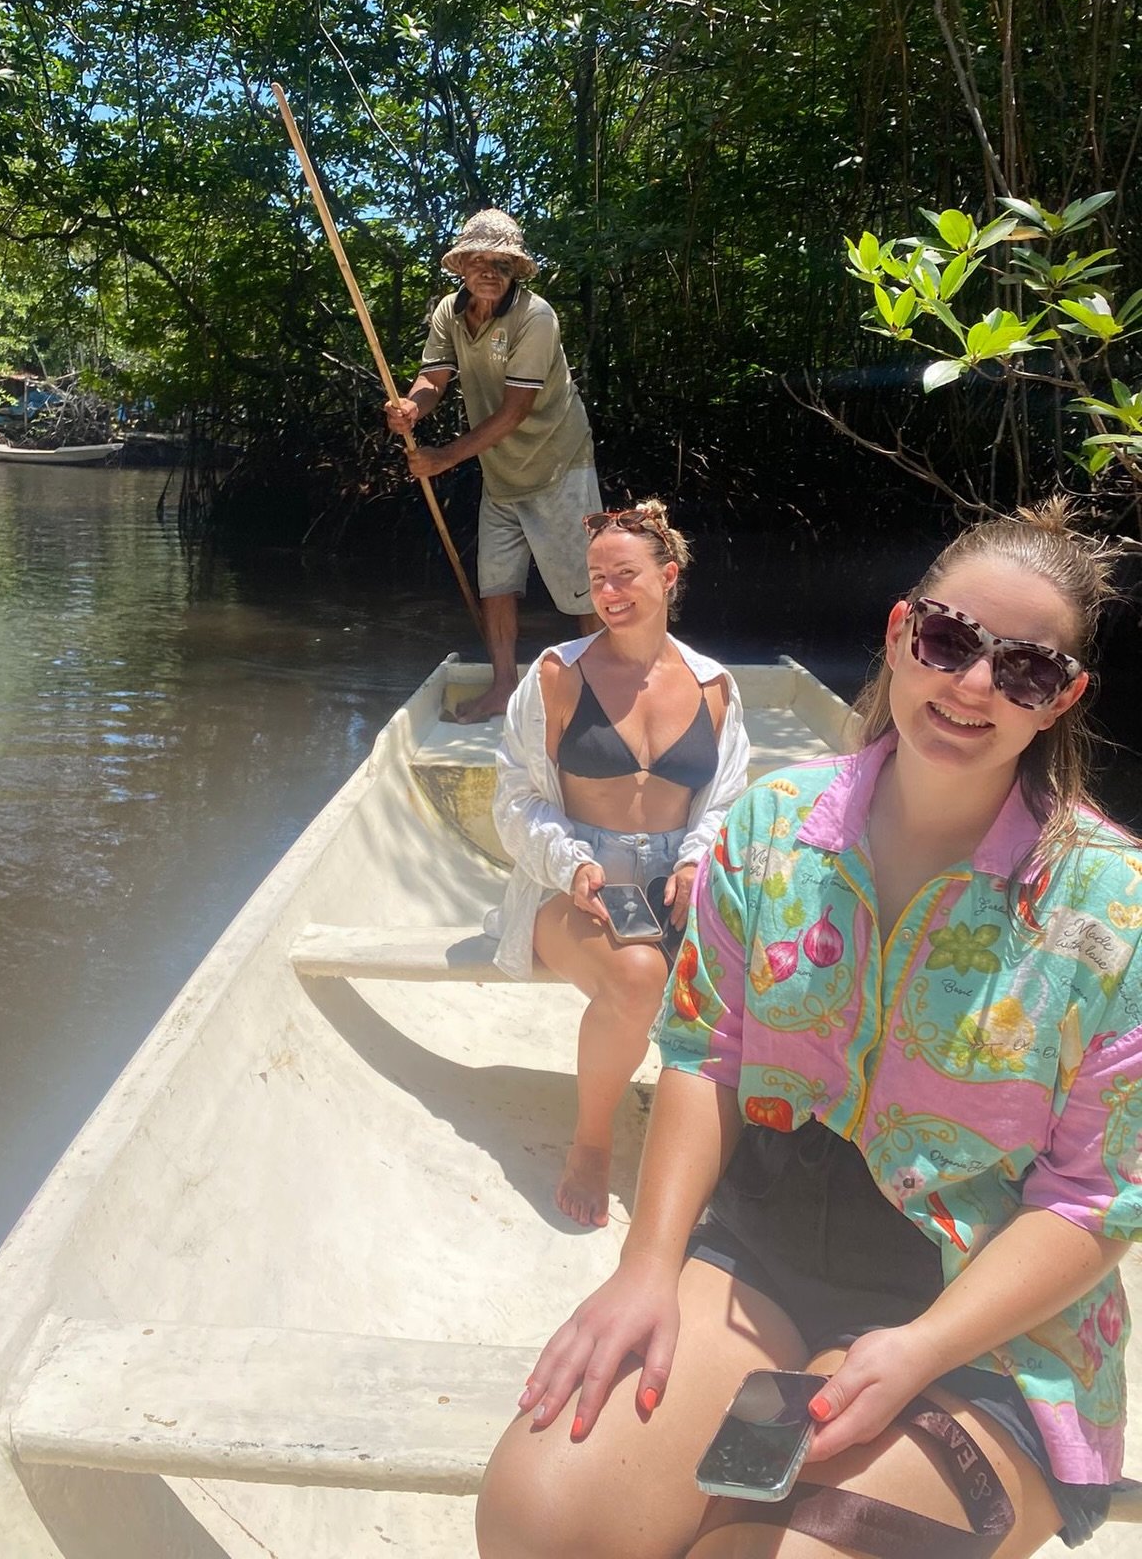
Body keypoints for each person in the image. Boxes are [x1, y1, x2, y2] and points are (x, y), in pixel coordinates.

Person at [478, 500, 1140, 1558]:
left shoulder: (1111, 908)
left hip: (986, 1312)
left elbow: (1099, 1198)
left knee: (763, 1548)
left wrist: (920, 1348)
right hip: (768, 1244)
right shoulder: (773, 827)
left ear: (1061, 699)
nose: (972, 686)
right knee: (541, 1522)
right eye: (951, 641)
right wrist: (648, 1265)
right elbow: (706, 1051)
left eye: (1022, 672)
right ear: (898, 632)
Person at [488, 502, 750, 1228]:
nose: (608, 591)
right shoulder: (554, 677)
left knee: (771, 971)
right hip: (564, 884)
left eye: (625, 575)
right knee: (638, 977)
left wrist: (698, 865)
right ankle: (592, 1141)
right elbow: (514, 802)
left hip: (677, 884)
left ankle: (726, 1153)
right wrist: (572, 867)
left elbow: (724, 804)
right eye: (597, 578)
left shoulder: (714, 687)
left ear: (667, 577)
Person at [387, 210, 600, 722]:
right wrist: (413, 406)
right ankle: (504, 685)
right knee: (497, 584)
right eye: (478, 261)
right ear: (462, 265)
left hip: (558, 465)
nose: (488, 271)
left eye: (501, 264)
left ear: (514, 271)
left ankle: (600, 695)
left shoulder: (537, 317)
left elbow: (515, 410)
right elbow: (434, 377)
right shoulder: (448, 312)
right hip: (501, 474)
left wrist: (443, 458)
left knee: (583, 588)